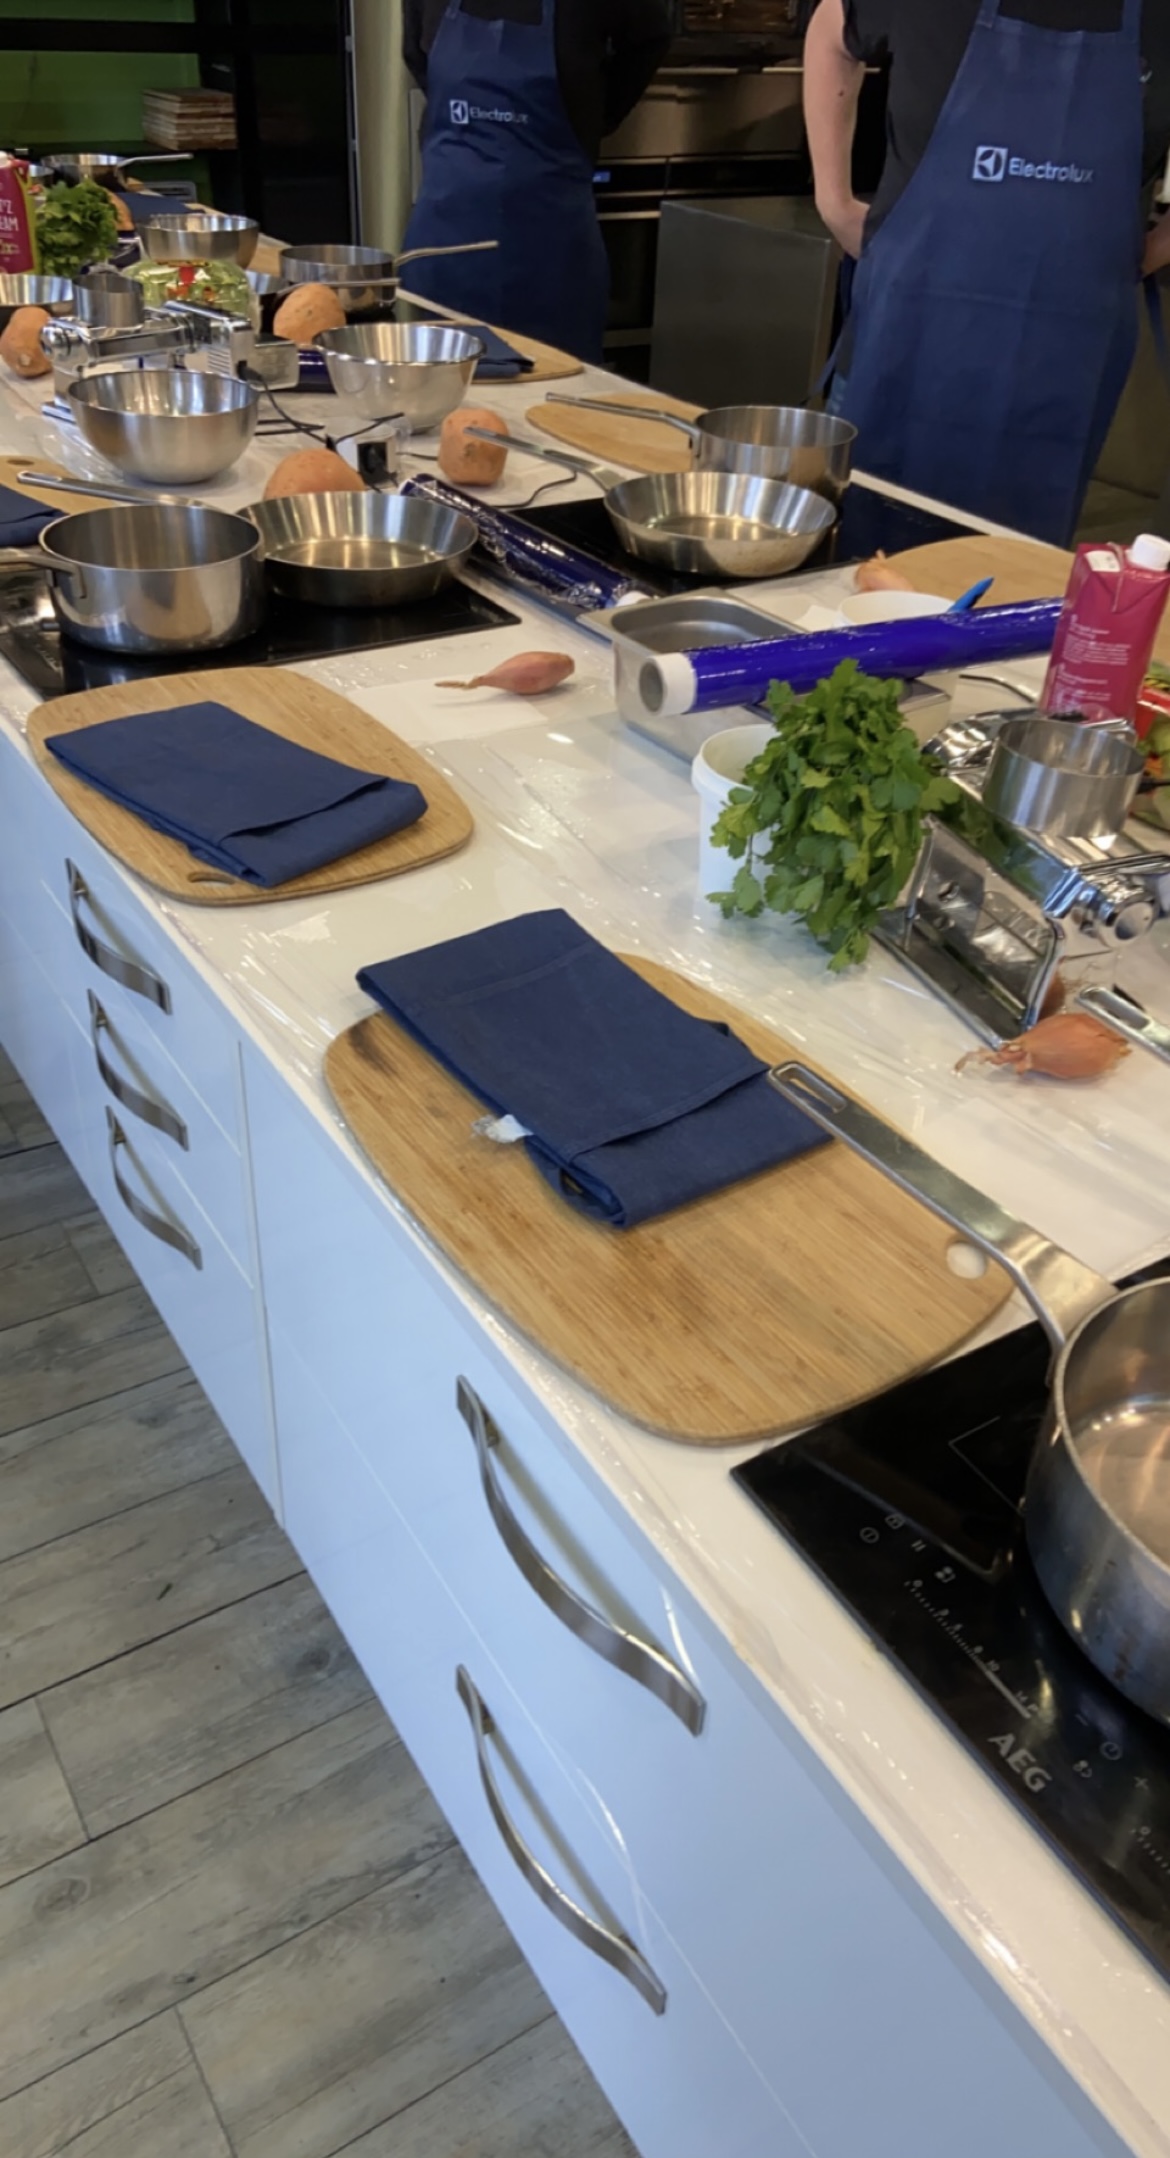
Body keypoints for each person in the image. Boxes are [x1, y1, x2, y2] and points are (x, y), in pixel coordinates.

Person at [803, 0, 1170, 543]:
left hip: (1059, 384)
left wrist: (1154, 248)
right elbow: (831, 30)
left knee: (1012, 577)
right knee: (865, 571)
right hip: (903, 351)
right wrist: (833, 201)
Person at [401, 0, 672, 363]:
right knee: (445, 391)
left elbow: (651, 37)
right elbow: (416, 57)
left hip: (553, 259)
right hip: (447, 250)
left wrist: (591, 116)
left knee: (558, 390)